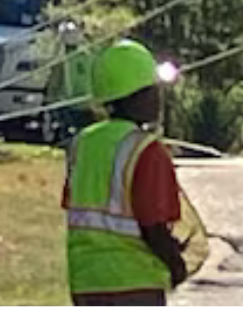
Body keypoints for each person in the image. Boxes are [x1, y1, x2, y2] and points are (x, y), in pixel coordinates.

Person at [62, 39, 190, 306]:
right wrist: (175, 262)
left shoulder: (82, 144)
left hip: (85, 281)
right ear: (134, 96)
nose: (157, 98)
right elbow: (151, 225)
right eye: (151, 90)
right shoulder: (146, 149)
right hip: (134, 281)